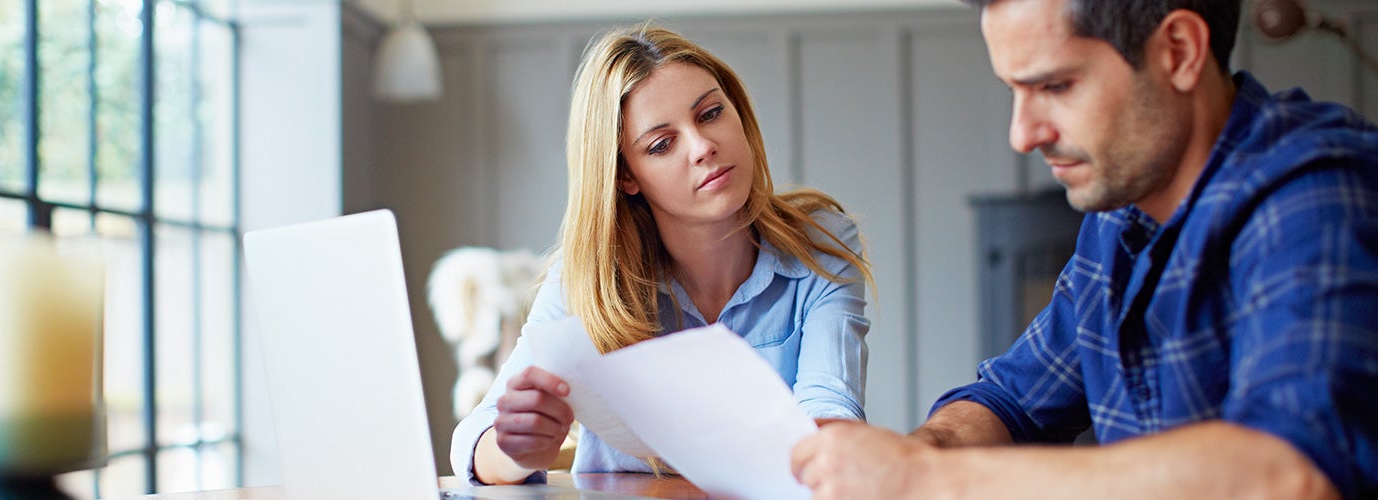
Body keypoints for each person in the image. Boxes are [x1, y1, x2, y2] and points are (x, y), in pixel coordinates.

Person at [790, 0, 1378, 498]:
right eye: (1014, 92)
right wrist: (921, 452)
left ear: (1177, 51)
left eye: (1055, 86)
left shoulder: (1318, 193)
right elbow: (1012, 399)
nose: (1022, 134)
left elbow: (1291, 471)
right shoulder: (1122, 213)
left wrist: (930, 478)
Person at [448, 24, 877, 485]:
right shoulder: (587, 281)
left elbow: (831, 411)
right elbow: (473, 440)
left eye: (711, 113)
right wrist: (517, 450)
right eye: (661, 144)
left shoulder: (819, 244)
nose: (703, 147)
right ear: (625, 177)